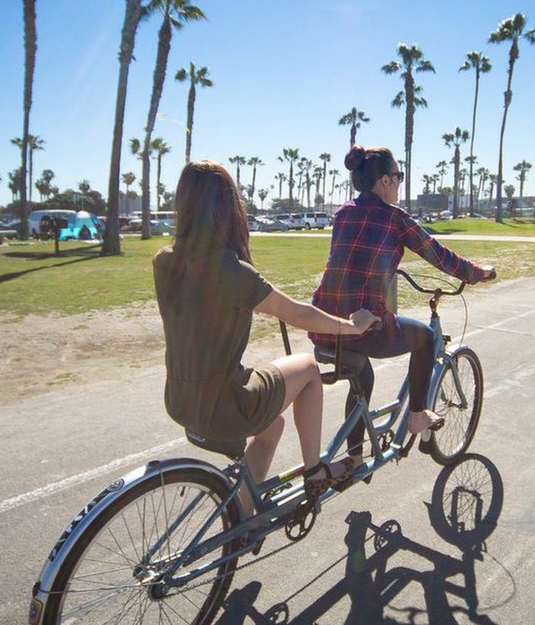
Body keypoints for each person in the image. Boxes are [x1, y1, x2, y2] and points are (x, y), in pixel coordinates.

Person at [153, 161, 377, 501]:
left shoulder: (164, 261)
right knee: (308, 369)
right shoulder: (230, 270)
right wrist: (351, 325)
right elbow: (298, 314)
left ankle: (245, 513)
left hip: (181, 400)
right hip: (224, 405)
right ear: (229, 208)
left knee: (272, 425)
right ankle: (314, 471)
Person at [311, 146, 496, 459]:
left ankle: (354, 455)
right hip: (364, 328)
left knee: (362, 377)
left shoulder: (343, 213)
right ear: (384, 181)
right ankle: (418, 415)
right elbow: (440, 255)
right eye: (398, 176)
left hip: (325, 326)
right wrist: (478, 273)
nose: (399, 182)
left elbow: (355, 261)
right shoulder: (396, 219)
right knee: (424, 338)